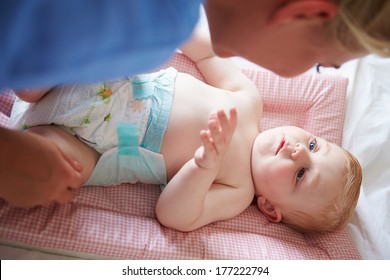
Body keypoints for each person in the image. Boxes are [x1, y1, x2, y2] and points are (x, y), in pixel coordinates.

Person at [1, 0, 385, 208]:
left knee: (64, 166)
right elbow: (209, 56)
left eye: (301, 174)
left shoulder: (237, 190)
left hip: (102, 148)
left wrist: (204, 167)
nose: (299, 150)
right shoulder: (251, 102)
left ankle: (32, 150)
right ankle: (32, 81)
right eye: (315, 145)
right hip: (109, 79)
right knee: (40, 78)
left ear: (269, 207)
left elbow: (173, 214)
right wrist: (183, 33)